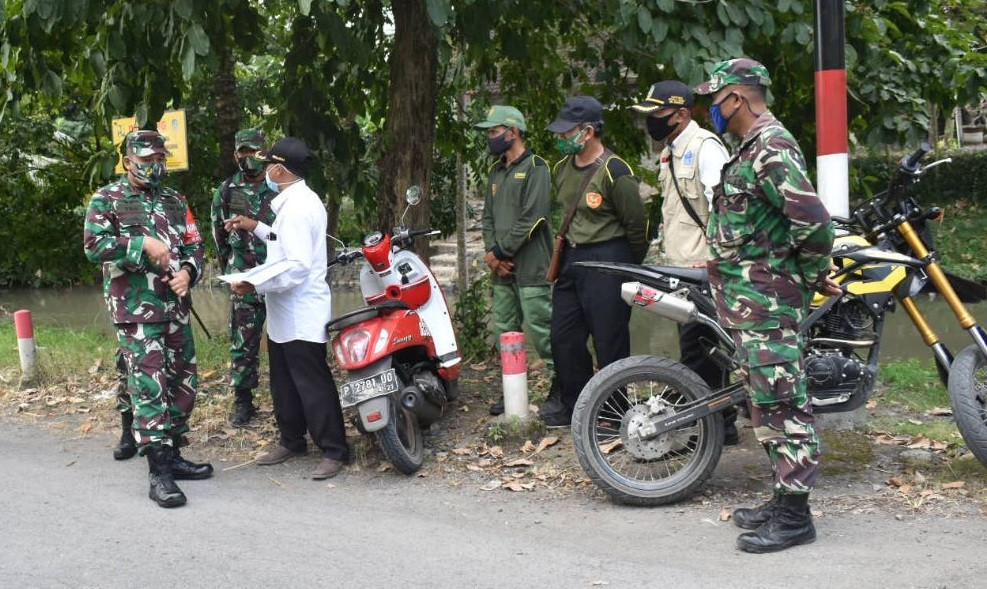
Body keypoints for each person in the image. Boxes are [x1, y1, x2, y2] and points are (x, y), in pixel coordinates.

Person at [694, 58, 839, 552]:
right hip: (752, 306)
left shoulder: (771, 148)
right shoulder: (750, 149)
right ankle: (783, 499)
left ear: (737, 97)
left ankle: (796, 517)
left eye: (716, 100)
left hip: (768, 305)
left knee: (783, 404)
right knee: (766, 403)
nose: (713, 109)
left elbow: (815, 224)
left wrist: (805, 275)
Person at [83, 130, 213, 509]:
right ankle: (158, 472)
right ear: (127, 162)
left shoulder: (175, 200)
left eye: (159, 160)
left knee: (182, 382)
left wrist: (189, 270)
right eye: (145, 161)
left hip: (175, 307)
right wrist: (143, 245)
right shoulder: (107, 199)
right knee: (149, 386)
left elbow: (194, 243)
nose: (154, 167)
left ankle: (173, 452)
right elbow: (94, 247)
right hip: (135, 310)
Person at [228, 137, 350, 480]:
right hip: (285, 312)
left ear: (279, 170)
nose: (264, 170)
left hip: (301, 310)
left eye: (268, 165)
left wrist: (254, 283)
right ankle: (291, 439)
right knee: (283, 380)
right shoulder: (292, 203)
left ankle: (334, 449)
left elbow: (295, 267)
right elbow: (283, 243)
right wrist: (256, 228)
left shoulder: (298, 208)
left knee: (311, 381)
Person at [629, 81, 739, 444]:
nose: (651, 122)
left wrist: (717, 264)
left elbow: (724, 209)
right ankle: (719, 422)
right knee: (699, 347)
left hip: (702, 269)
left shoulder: (705, 148)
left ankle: (716, 428)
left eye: (657, 114)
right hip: (681, 269)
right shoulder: (672, 151)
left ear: (681, 114)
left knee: (701, 349)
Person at [544, 95, 649, 427]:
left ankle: (613, 412)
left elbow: (637, 224)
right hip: (572, 260)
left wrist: (627, 266)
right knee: (563, 337)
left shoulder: (615, 170)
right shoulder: (561, 169)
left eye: (566, 132)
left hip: (609, 258)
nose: (560, 138)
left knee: (610, 340)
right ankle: (576, 405)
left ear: (587, 131)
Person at [475, 105, 555, 415]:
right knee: (505, 333)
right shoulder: (496, 171)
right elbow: (487, 219)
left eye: (494, 132)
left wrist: (500, 253)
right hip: (501, 271)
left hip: (533, 268)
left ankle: (561, 391)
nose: (491, 138)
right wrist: (492, 256)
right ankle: (512, 393)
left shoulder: (537, 167)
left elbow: (533, 219)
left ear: (514, 132)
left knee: (543, 333)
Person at [210, 129, 277, 426]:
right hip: (243, 279)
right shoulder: (226, 191)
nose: (248, 158)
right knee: (243, 343)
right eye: (243, 152)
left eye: (254, 151)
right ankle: (244, 402)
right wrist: (232, 271)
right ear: (235, 155)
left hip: (278, 280)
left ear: (265, 152)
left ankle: (285, 400)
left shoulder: (279, 187)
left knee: (284, 344)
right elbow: (218, 238)